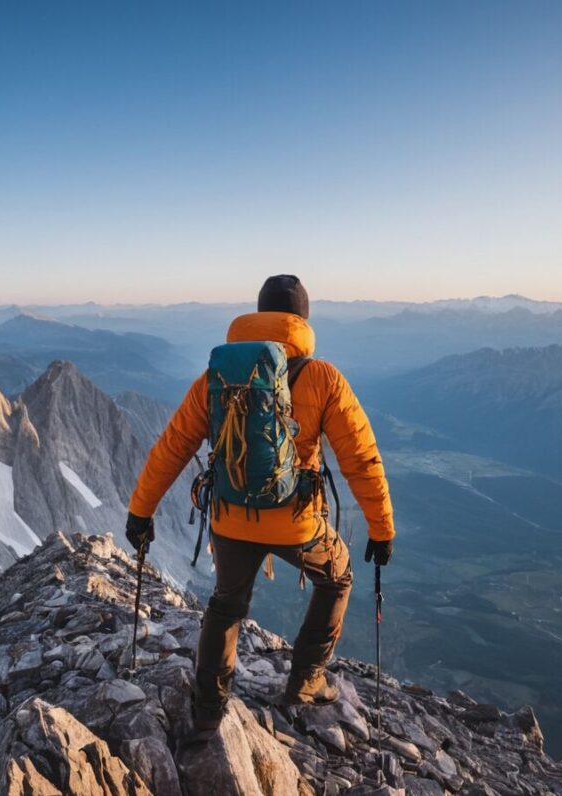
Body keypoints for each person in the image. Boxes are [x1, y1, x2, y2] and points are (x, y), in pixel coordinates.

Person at [125, 274, 395, 732]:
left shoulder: (217, 377)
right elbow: (360, 458)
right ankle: (306, 681)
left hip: (230, 518)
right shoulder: (322, 377)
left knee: (226, 605)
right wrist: (381, 528)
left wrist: (141, 511)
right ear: (301, 321)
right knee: (338, 577)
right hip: (296, 522)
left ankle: (208, 710)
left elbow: (171, 447)